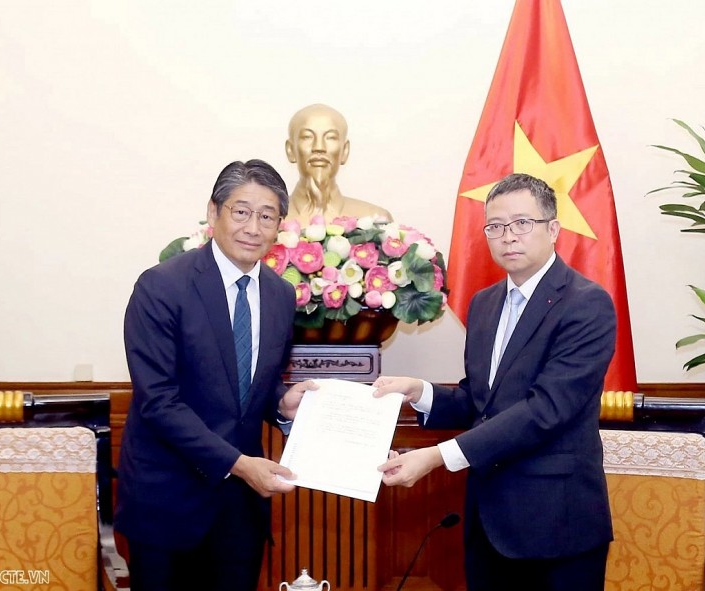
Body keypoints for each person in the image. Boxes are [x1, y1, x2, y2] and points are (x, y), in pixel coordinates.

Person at [374, 173, 617, 591]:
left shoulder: (586, 304)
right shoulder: (485, 303)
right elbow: (481, 401)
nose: (509, 236)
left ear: (553, 229)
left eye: (523, 223)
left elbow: (545, 411)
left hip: (556, 525)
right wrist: (420, 391)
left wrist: (435, 457)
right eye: (496, 226)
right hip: (488, 520)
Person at [116, 159, 317, 591]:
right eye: (240, 211)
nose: (253, 227)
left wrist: (282, 403)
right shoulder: (162, 286)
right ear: (214, 213)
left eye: (267, 216)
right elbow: (158, 401)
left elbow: (249, 390)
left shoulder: (281, 295)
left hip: (239, 510)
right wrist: (239, 465)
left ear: (280, 225)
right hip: (167, 501)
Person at [284, 103, 393, 224]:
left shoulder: (375, 219)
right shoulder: (267, 222)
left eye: (330, 137)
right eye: (307, 137)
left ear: (345, 151)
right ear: (290, 150)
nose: (319, 147)